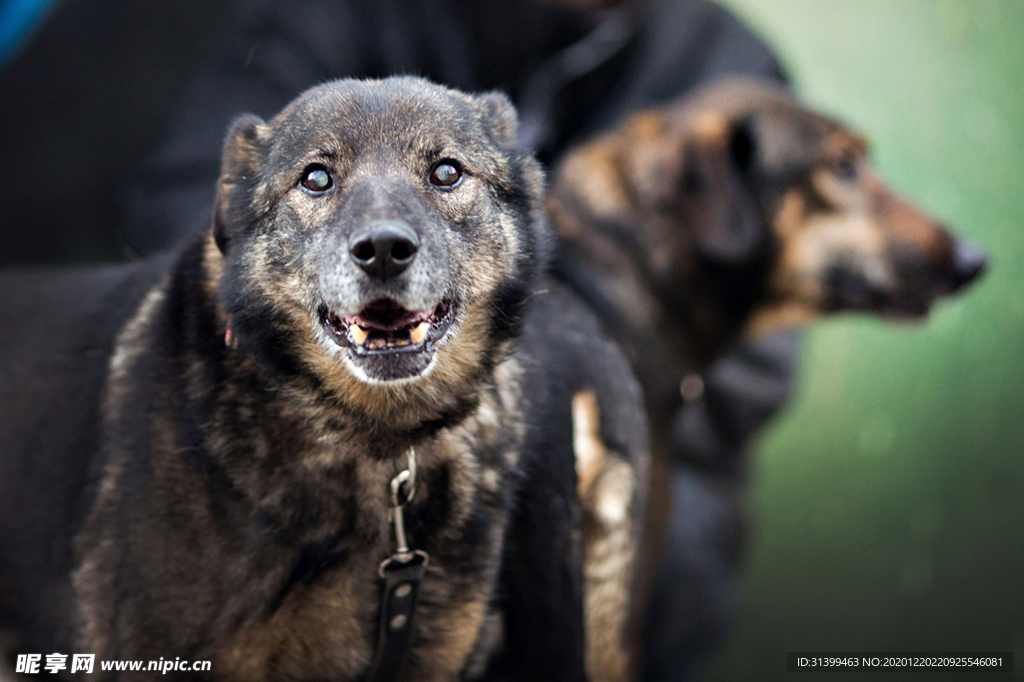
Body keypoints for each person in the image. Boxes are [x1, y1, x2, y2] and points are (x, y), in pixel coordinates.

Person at [0, 1, 794, 679]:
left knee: (664, 544)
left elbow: (747, 369)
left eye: (446, 173)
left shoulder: (728, 63)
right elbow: (189, 208)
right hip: (303, 404)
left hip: (618, 418)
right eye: (320, 175)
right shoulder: (349, 11)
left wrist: (551, 396)